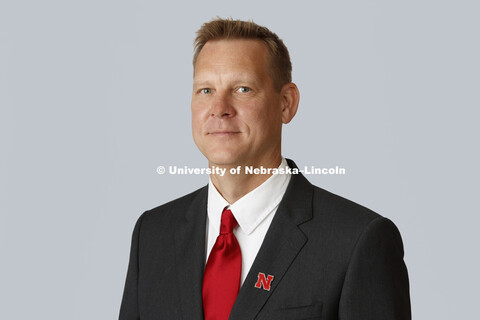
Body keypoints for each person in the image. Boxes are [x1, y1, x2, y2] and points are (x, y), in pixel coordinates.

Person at [119, 18, 411, 320]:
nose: (219, 107)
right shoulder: (152, 234)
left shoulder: (356, 241)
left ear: (286, 103)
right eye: (205, 90)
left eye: (243, 89)